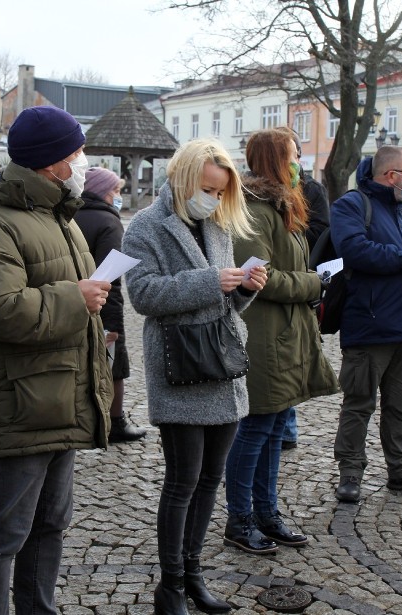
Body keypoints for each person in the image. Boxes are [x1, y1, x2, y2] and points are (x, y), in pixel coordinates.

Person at [0, 105, 113, 615]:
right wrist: (76, 299)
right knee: (5, 534)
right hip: (18, 405)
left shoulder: (56, 214)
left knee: (50, 525)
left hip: (60, 398)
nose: (83, 162)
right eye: (76, 153)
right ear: (50, 164)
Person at [122, 138, 267, 615]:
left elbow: (221, 299)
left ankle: (194, 573)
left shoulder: (216, 224)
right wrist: (214, 281)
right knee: (182, 482)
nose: (213, 197)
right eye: (207, 188)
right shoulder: (145, 226)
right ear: (184, 179)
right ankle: (171, 585)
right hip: (180, 367)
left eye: (220, 191)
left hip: (221, 366)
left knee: (210, 480)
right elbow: (142, 295)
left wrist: (243, 288)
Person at [225, 128, 338, 554]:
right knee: (254, 429)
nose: (299, 163)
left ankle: (267, 513)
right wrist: (314, 283)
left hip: (286, 335)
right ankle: (239, 520)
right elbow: (259, 275)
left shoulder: (282, 205)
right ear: (275, 160)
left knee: (273, 430)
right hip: (264, 338)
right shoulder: (254, 209)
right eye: (292, 155)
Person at [331, 145, 402, 503]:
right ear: (391, 175)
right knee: (359, 403)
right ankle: (350, 472)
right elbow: (351, 249)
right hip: (370, 324)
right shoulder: (352, 205)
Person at [75, 166, 147, 443]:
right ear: (102, 191)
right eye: (115, 191)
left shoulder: (70, 213)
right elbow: (112, 276)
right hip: (102, 300)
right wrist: (113, 322)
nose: (118, 196)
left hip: (74, 297)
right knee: (114, 364)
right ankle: (116, 421)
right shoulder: (108, 221)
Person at [281, 131, 333, 451]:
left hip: (304, 278)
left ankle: (286, 427)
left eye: (296, 156)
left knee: (293, 354)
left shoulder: (312, 189)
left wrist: (290, 236)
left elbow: (321, 231)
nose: (294, 163)